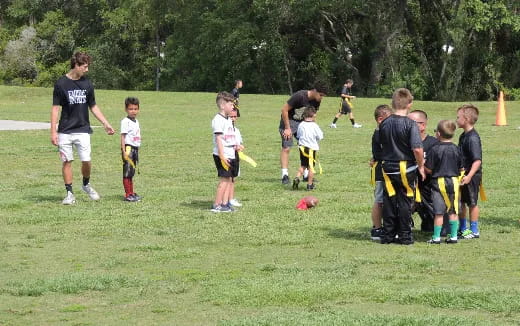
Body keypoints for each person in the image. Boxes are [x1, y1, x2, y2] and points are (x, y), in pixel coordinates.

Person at [50, 52, 115, 205]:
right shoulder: (61, 84)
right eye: (84, 67)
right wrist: (53, 131)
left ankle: (86, 184)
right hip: (65, 130)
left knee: (86, 160)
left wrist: (106, 123)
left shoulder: (87, 84)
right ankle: (69, 194)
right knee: (67, 161)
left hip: (83, 129)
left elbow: (93, 106)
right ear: (76, 65)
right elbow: (55, 109)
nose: (87, 70)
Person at [379, 88, 425, 245]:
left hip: (387, 168)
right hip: (406, 168)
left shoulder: (384, 123)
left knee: (389, 199)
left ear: (393, 103)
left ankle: (388, 234)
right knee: (405, 200)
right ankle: (405, 235)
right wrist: (421, 166)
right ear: (410, 104)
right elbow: (417, 149)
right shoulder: (410, 124)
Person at [425, 120, 464, 244]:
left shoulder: (434, 149)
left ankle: (436, 237)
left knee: (439, 212)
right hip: (454, 182)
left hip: (438, 184)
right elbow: (461, 168)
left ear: (439, 134)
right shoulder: (457, 149)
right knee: (453, 210)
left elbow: (429, 169)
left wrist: (421, 166)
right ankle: (453, 236)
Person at [279, 84, 327, 184]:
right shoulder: (300, 96)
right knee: (286, 147)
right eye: (321, 95)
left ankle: (306, 175)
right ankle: (285, 175)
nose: (321, 98)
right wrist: (287, 128)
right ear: (315, 91)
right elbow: (284, 110)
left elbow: (313, 115)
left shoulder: (316, 101)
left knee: (307, 147)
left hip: (303, 123)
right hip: (289, 121)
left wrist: (313, 128)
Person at [408, 110, 438, 232]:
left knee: (430, 228)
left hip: (427, 188)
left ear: (423, 125)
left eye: (411, 123)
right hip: (408, 187)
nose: (407, 125)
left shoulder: (434, 144)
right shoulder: (403, 143)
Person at [456, 104, 483, 239]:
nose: (456, 120)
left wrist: (469, 176)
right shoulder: (463, 135)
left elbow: (477, 160)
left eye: (458, 117)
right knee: (461, 202)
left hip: (471, 176)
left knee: (472, 202)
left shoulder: (472, 138)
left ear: (466, 119)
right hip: (463, 175)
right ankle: (463, 229)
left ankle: (474, 230)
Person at [211, 91, 238, 213]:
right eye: (231, 104)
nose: (233, 106)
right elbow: (218, 139)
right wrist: (222, 155)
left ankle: (225, 203)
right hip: (223, 155)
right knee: (224, 180)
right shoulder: (218, 120)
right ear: (223, 105)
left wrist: (236, 145)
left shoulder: (228, 120)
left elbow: (229, 137)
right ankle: (217, 204)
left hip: (230, 154)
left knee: (229, 179)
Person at [369, 104, 392, 241]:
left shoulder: (383, 132)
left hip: (386, 168)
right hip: (381, 171)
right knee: (379, 200)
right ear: (380, 119)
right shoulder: (380, 133)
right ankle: (377, 228)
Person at [292, 107, 323, 191]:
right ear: (313, 115)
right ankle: (310, 185)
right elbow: (320, 136)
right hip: (311, 149)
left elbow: (298, 135)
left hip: (302, 148)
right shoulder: (314, 125)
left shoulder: (301, 124)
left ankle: (297, 177)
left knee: (303, 165)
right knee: (311, 167)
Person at [121, 97, 142, 202]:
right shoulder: (125, 121)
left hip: (135, 148)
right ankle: (127, 194)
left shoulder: (136, 121)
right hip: (128, 148)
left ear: (138, 109)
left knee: (132, 172)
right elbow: (123, 137)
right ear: (126, 109)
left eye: (135, 109)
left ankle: (132, 192)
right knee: (127, 172)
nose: (133, 111)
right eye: (130, 109)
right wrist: (124, 151)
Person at [229, 108, 244, 207]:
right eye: (231, 116)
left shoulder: (236, 130)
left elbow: (239, 142)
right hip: (228, 155)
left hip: (236, 156)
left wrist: (240, 147)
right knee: (228, 178)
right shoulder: (226, 129)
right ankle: (228, 199)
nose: (233, 119)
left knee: (233, 178)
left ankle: (231, 198)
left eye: (235, 117)